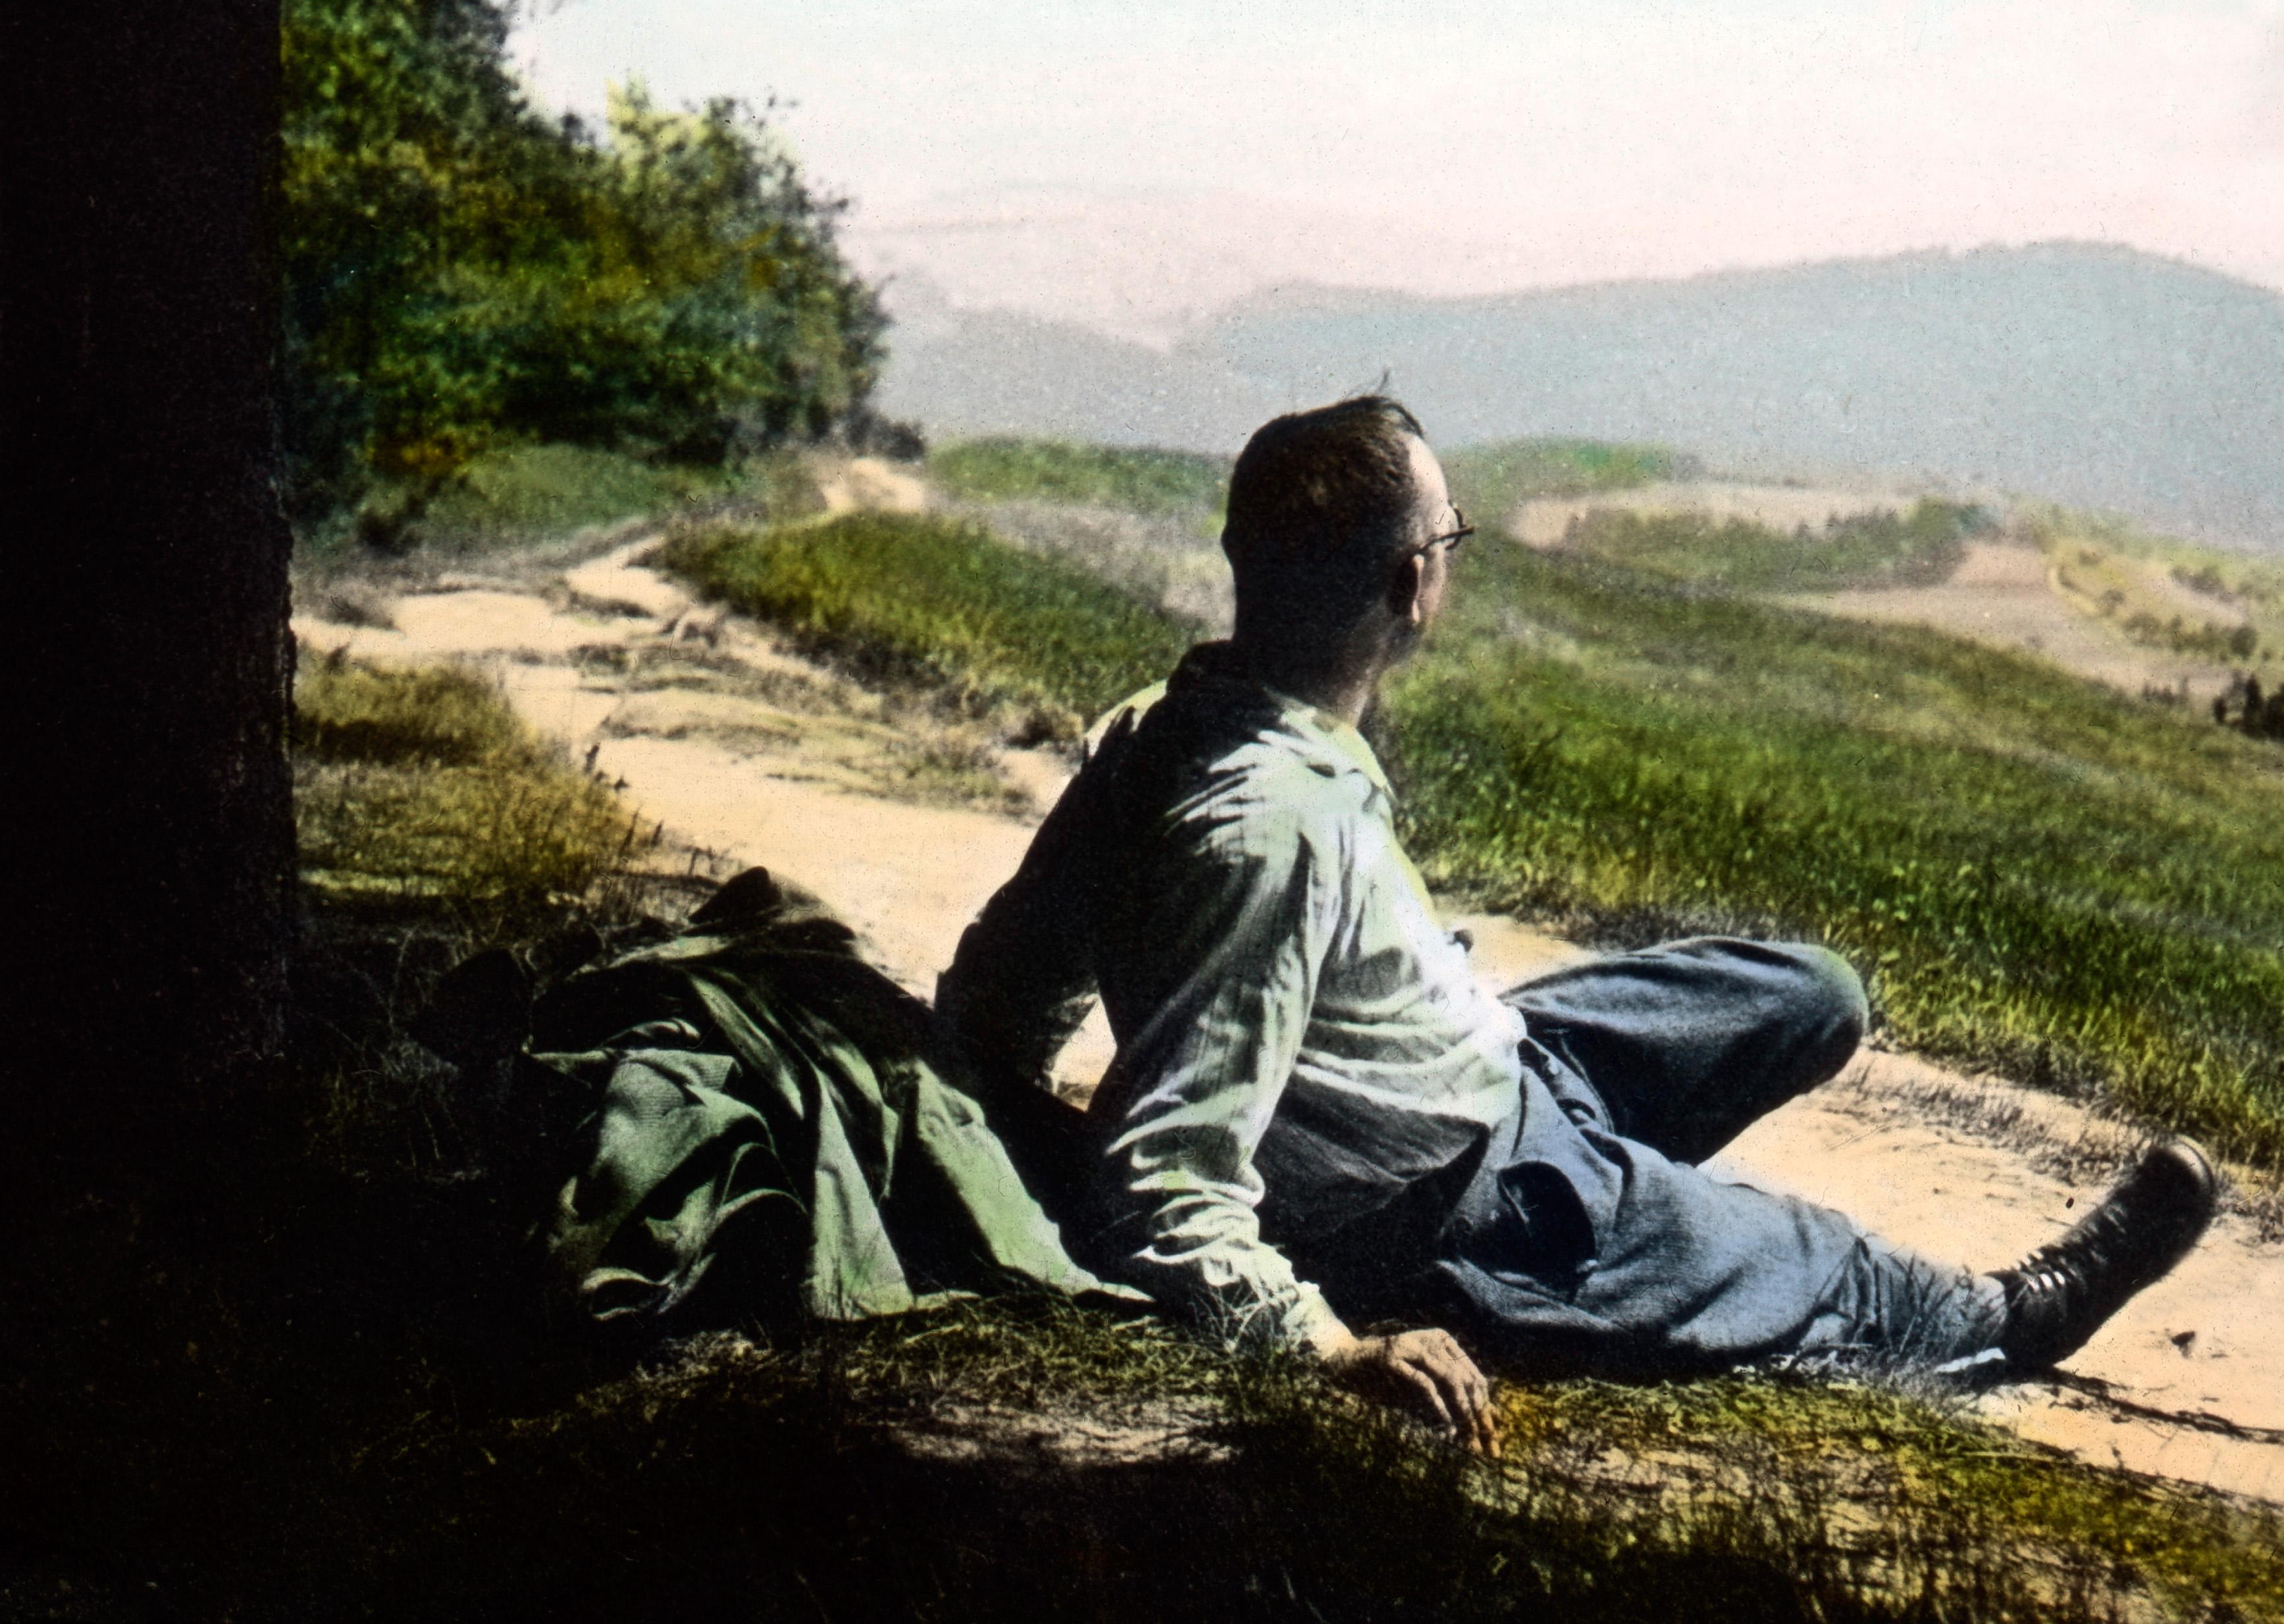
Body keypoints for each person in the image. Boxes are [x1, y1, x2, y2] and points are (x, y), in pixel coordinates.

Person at [934, 395, 2218, 1444]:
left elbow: (1001, 999)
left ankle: (1660, 1232)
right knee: (1836, 1273)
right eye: (1449, 542)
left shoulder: (1154, 736)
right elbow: (1168, 1174)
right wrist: (1320, 1346)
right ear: (1410, 583)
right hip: (1467, 1207)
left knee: (1805, 994)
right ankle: (1997, 1314)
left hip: (1489, 1066)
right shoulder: (1269, 829)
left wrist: (1023, 1124)